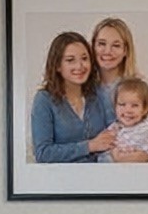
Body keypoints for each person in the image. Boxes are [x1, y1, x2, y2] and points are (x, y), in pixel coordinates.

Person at [30, 31, 115, 162]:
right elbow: (43, 153)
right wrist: (89, 146)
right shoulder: (44, 100)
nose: (80, 66)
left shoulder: (99, 94)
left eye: (84, 58)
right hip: (62, 179)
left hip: (101, 176)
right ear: (57, 65)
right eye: (70, 60)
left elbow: (116, 134)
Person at [89, 18, 140, 125]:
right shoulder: (83, 87)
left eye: (116, 45)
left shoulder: (139, 88)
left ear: (125, 50)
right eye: (102, 44)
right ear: (93, 47)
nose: (107, 51)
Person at [98, 77, 148, 162]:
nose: (128, 110)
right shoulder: (115, 126)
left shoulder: (147, 128)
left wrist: (114, 152)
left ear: (145, 108)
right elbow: (102, 146)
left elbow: (132, 156)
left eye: (134, 105)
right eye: (122, 104)